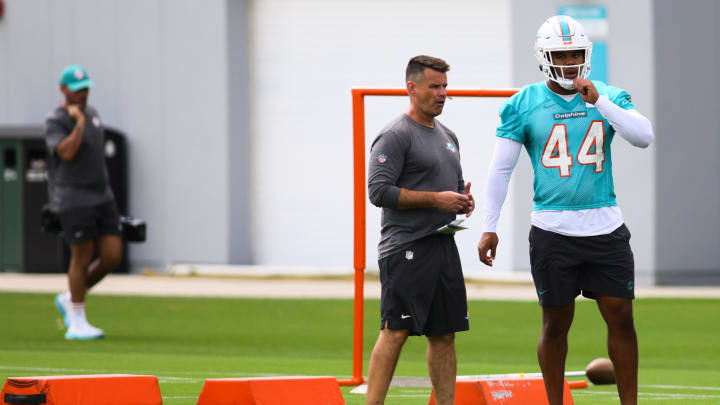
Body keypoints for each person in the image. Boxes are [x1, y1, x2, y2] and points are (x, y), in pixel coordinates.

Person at [477, 16, 653, 405]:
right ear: (545, 58)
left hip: (605, 225)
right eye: (562, 54)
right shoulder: (523, 103)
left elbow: (644, 136)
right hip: (553, 229)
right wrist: (489, 226)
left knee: (622, 317)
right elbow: (500, 168)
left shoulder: (606, 94)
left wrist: (600, 103)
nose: (571, 61)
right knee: (556, 323)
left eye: (575, 53)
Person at [366, 55, 474, 405]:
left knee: (444, 335)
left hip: (443, 247)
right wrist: (437, 200)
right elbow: (379, 192)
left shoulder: (448, 136)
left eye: (445, 87)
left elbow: (453, 190)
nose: (442, 94)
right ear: (411, 88)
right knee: (395, 331)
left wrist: (462, 201)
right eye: (434, 87)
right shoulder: (395, 135)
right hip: (406, 248)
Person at [45, 64, 123, 340]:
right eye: (77, 90)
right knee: (82, 255)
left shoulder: (94, 114)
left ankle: (69, 297)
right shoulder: (56, 120)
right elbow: (66, 153)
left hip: (102, 196)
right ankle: (77, 320)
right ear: (63, 90)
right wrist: (77, 123)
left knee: (113, 254)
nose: (83, 95)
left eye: (86, 89)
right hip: (73, 197)